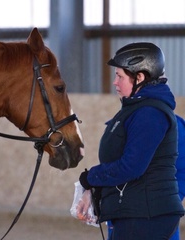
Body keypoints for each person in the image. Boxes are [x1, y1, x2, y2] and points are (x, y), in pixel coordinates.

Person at [78, 42, 185, 240]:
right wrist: (94, 191)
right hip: (134, 213)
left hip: (146, 217)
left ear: (140, 77)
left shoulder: (150, 114)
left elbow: (131, 167)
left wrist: (90, 178)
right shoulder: (135, 111)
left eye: (119, 76)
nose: (115, 82)